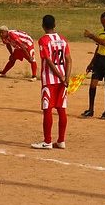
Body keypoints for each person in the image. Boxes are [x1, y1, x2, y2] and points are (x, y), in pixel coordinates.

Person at [31, 15, 71, 150]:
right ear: (55, 24)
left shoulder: (43, 40)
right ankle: (61, 140)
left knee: (47, 109)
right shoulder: (63, 39)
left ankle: (47, 141)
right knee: (61, 109)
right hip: (63, 80)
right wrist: (66, 77)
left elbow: (48, 60)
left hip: (50, 80)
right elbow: (68, 59)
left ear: (43, 25)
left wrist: (59, 76)